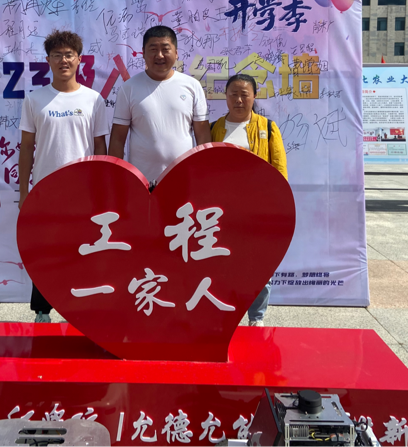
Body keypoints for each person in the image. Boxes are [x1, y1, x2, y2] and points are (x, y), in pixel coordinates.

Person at [18, 30, 109, 323]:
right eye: (57, 55)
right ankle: (42, 311)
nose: (63, 60)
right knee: (47, 253)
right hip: (46, 193)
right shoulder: (35, 100)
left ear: (79, 60)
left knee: (85, 252)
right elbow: (27, 147)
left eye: (69, 55)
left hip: (84, 194)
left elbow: (100, 147)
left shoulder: (94, 100)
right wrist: (24, 192)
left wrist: (101, 190)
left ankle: (84, 311)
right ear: (48, 61)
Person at [210, 74, 287, 325]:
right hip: (221, 212)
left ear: (254, 97)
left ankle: (257, 317)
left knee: (259, 266)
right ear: (225, 97)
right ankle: (225, 317)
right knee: (222, 265)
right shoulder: (214, 128)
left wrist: (276, 207)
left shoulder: (268, 128)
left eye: (245, 94)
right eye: (233, 94)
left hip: (257, 211)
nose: (239, 100)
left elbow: (279, 171)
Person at [108, 26, 211, 183]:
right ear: (143, 53)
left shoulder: (192, 86)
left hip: (183, 178)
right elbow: (117, 139)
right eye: (153, 49)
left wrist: (204, 174)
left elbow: (202, 135)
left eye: (165, 49)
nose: (160, 55)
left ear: (176, 53)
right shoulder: (129, 88)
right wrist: (116, 177)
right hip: (142, 180)